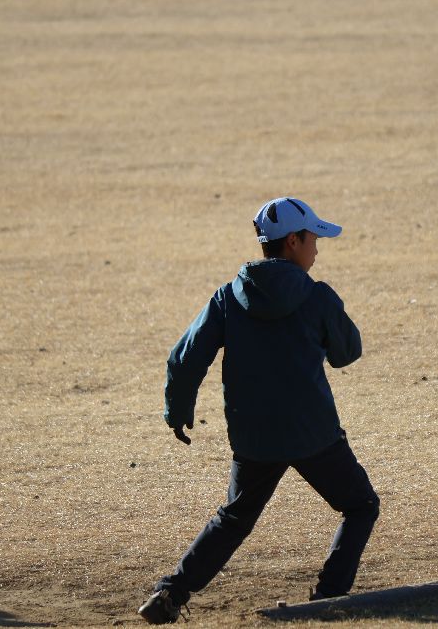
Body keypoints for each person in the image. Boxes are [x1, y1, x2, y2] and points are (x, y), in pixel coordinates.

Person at [138, 197, 380, 624]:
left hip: (254, 438)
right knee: (361, 506)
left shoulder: (228, 298)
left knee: (233, 519)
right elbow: (347, 353)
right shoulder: (317, 296)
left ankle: (170, 594)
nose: (317, 248)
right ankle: (327, 598)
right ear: (293, 241)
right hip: (313, 433)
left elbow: (184, 359)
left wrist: (178, 409)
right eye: (313, 239)